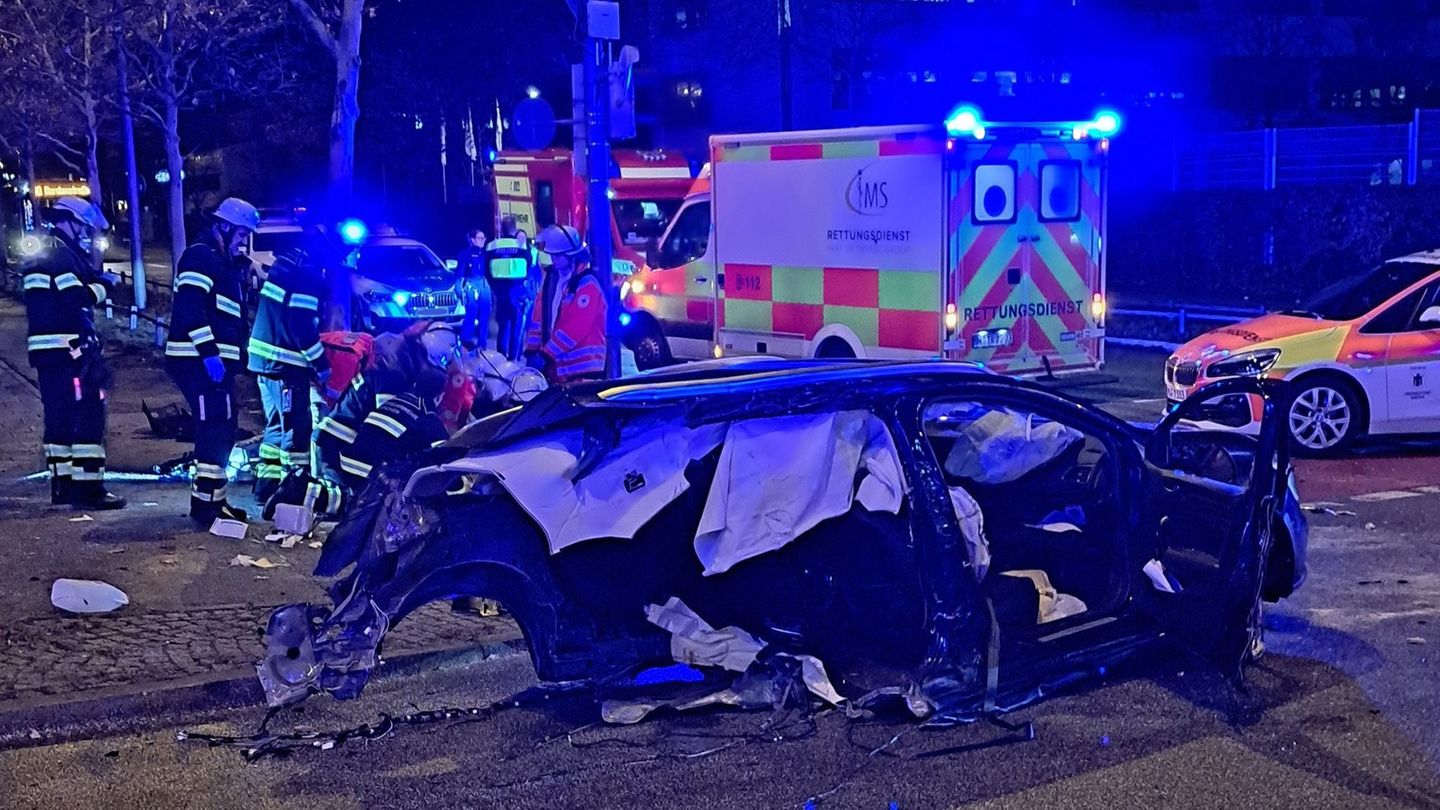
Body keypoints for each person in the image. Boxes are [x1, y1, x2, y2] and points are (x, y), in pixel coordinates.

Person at [24, 196, 125, 509]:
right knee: (89, 415)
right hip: (70, 350)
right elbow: (76, 298)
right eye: (82, 226)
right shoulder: (63, 256)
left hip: (47, 352)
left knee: (59, 418)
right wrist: (105, 285)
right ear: (68, 220)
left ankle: (63, 485)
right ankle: (90, 488)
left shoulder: (45, 254)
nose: (85, 233)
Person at [166, 197, 259, 524]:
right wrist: (209, 354)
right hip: (197, 360)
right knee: (213, 428)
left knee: (222, 427)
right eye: (241, 234)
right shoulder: (200, 256)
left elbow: (227, 314)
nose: (243, 242)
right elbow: (191, 309)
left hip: (213, 362)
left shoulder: (220, 261)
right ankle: (206, 505)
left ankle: (214, 500)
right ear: (225, 226)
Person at [247, 247, 331, 501]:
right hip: (285, 365)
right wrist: (322, 364)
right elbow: (301, 325)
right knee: (296, 427)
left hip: (264, 361)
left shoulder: (287, 267)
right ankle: (292, 491)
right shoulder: (308, 277)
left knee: (276, 425)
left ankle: (266, 486)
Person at [524, 225, 607, 383]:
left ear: (572, 256)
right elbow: (538, 318)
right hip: (556, 368)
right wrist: (532, 349)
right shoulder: (550, 279)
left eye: (559, 256)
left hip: (583, 371)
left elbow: (576, 327)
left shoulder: (587, 284)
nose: (554, 260)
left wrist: (546, 355)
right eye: (552, 255)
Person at [485, 216, 537, 360]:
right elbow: (529, 263)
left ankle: (501, 356)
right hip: (517, 287)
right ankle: (514, 358)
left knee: (502, 324)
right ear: (514, 228)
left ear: (501, 229)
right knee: (517, 325)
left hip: (500, 290)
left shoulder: (492, 245)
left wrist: (495, 288)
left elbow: (486, 271)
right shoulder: (520, 245)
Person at [455, 229, 491, 349]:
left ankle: (482, 346)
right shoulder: (464, 254)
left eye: (484, 238)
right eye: (480, 238)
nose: (483, 241)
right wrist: (459, 289)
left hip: (483, 284)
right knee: (471, 313)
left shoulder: (486, 254)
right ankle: (465, 343)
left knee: (485, 315)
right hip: (470, 284)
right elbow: (459, 273)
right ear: (472, 240)